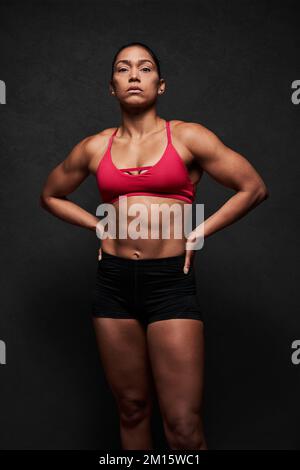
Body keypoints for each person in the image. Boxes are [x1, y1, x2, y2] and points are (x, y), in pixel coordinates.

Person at [40, 41, 269, 451]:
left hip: (170, 285)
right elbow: (51, 195)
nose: (133, 75)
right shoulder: (94, 146)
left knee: (182, 425)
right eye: (123, 68)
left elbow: (253, 187)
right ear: (111, 86)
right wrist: (99, 224)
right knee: (131, 409)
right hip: (112, 284)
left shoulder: (188, 136)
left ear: (160, 85)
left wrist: (200, 231)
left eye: (144, 68)